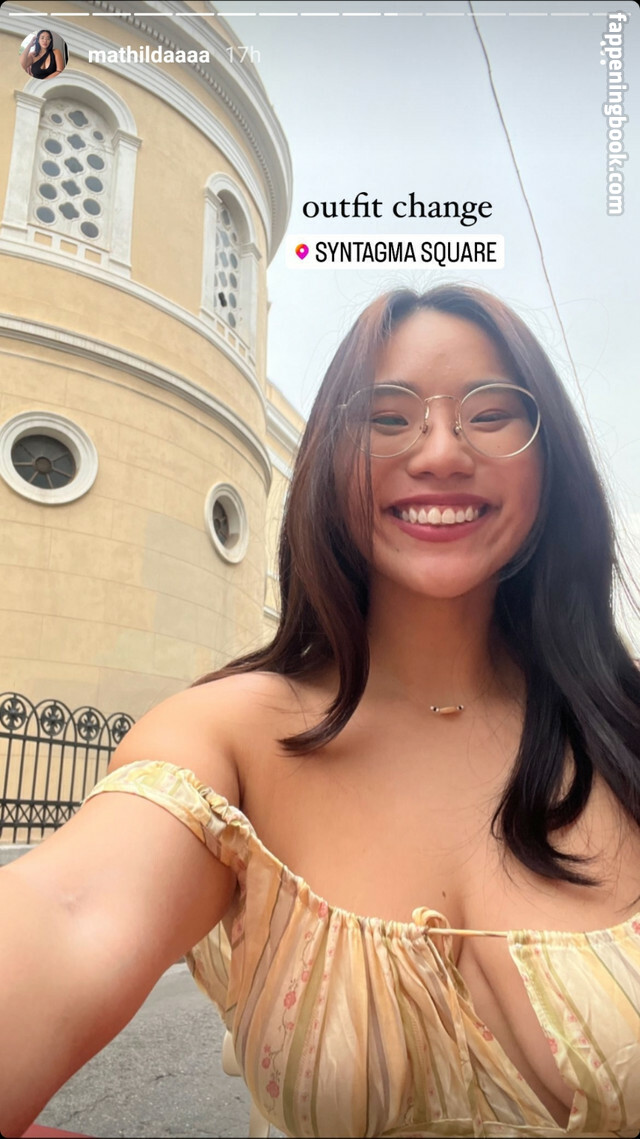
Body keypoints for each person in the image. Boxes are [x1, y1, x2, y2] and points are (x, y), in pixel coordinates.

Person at [1, 285, 639, 1138]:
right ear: (328, 462)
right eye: (386, 418)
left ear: (549, 463)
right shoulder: (227, 736)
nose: (441, 451)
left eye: (491, 415)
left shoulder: (624, 728)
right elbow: (71, 911)